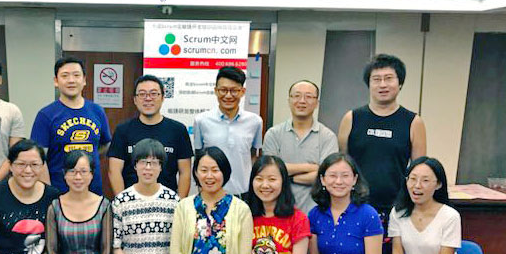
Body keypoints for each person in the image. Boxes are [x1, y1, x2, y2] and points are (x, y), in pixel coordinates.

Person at [338, 54, 426, 231]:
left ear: (400, 83)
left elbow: (419, 170)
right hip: (354, 206)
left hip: (396, 209)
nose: (383, 85)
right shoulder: (351, 118)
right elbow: (341, 164)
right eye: (376, 79)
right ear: (369, 84)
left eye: (389, 78)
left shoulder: (413, 122)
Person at [31, 57, 112, 195]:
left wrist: (87, 154)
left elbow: (105, 145)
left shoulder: (97, 111)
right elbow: (38, 159)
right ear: (56, 81)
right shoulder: (46, 115)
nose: (71, 80)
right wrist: (48, 194)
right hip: (59, 192)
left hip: (93, 192)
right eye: (65, 76)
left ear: (84, 80)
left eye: (76, 75)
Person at [108, 75, 193, 197]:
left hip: (167, 202)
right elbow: (114, 171)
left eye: (153, 94)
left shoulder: (178, 130)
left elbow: (185, 173)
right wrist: (123, 201)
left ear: (162, 97)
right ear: (135, 100)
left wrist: (179, 204)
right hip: (132, 202)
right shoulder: (123, 130)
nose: (148, 98)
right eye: (142, 94)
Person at [262, 80, 338, 213]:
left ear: (317, 103)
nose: (302, 101)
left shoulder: (327, 136)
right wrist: (311, 167)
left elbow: (327, 176)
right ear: (289, 100)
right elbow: (270, 172)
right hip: (278, 210)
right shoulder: (273, 134)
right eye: (297, 96)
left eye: (308, 96)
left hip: (315, 212)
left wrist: (287, 176)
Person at [193, 66, 263, 196]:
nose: (228, 95)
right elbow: (199, 157)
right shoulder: (201, 121)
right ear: (216, 91)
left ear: (242, 91)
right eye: (223, 90)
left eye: (234, 90)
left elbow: (253, 156)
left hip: (243, 193)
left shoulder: (255, 121)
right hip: (211, 194)